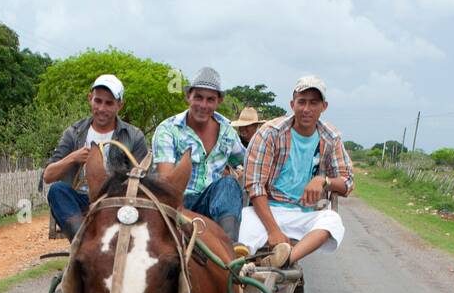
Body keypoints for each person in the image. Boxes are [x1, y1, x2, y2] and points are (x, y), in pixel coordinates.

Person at [239, 76, 353, 267]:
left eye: (313, 103)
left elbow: (347, 182)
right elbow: (254, 185)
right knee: (244, 234)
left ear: (324, 106)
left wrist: (323, 180)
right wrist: (274, 231)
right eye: (302, 102)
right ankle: (245, 269)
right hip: (267, 210)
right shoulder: (270, 133)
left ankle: (283, 260)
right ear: (293, 104)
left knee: (332, 221)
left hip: (305, 214)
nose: (306, 109)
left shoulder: (330, 138)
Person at [42, 74, 148, 238]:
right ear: (90, 99)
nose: (102, 108)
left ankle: (93, 241)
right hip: (82, 201)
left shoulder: (134, 136)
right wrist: (73, 158)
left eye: (109, 103)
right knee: (57, 190)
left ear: (120, 105)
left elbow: (142, 181)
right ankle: (82, 241)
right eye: (98, 101)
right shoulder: (74, 133)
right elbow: (48, 176)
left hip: (116, 201)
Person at [151, 67, 247, 247]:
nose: (203, 105)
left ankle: (231, 246)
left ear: (219, 101)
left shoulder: (227, 132)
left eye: (210, 99)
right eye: (198, 97)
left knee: (229, 184)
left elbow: (249, 162)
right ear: (188, 97)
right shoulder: (168, 129)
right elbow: (166, 180)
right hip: (179, 204)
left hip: (213, 205)